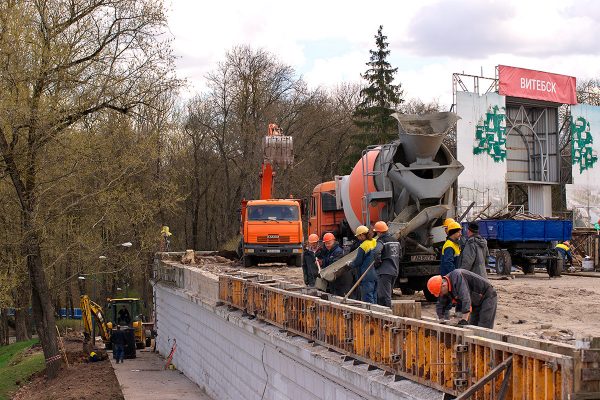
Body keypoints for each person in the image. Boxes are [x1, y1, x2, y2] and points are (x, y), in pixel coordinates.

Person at [427, 269, 497, 329]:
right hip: (476, 300)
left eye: (440, 293)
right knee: (473, 326)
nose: (441, 295)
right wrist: (441, 319)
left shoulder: (457, 277)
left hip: (487, 296)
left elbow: (465, 298)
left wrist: (464, 319)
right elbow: (441, 304)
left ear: (444, 285)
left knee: (483, 326)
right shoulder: (444, 286)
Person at [346, 226, 377, 303]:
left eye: (358, 236)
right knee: (374, 295)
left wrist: (350, 264)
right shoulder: (375, 241)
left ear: (362, 235)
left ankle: (369, 313)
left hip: (366, 274)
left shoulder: (363, 246)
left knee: (368, 296)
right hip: (376, 273)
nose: (358, 238)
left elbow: (358, 262)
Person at [372, 221, 400, 307]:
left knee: (384, 296)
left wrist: (377, 263)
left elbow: (376, 252)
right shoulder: (395, 240)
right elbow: (400, 255)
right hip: (395, 270)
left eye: (376, 232)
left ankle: (388, 314)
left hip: (384, 271)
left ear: (379, 232)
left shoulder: (381, 240)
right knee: (388, 294)